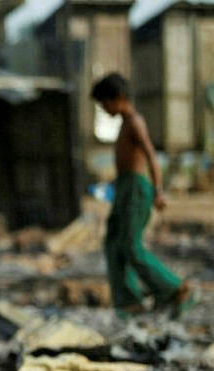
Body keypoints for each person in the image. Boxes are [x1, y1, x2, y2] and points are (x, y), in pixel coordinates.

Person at [90, 72, 196, 319]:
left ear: (120, 98)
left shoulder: (135, 122)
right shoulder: (124, 124)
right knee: (113, 243)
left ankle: (177, 289)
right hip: (125, 187)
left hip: (137, 188)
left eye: (105, 103)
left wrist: (158, 191)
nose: (104, 109)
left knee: (130, 246)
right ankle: (128, 302)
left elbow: (151, 156)